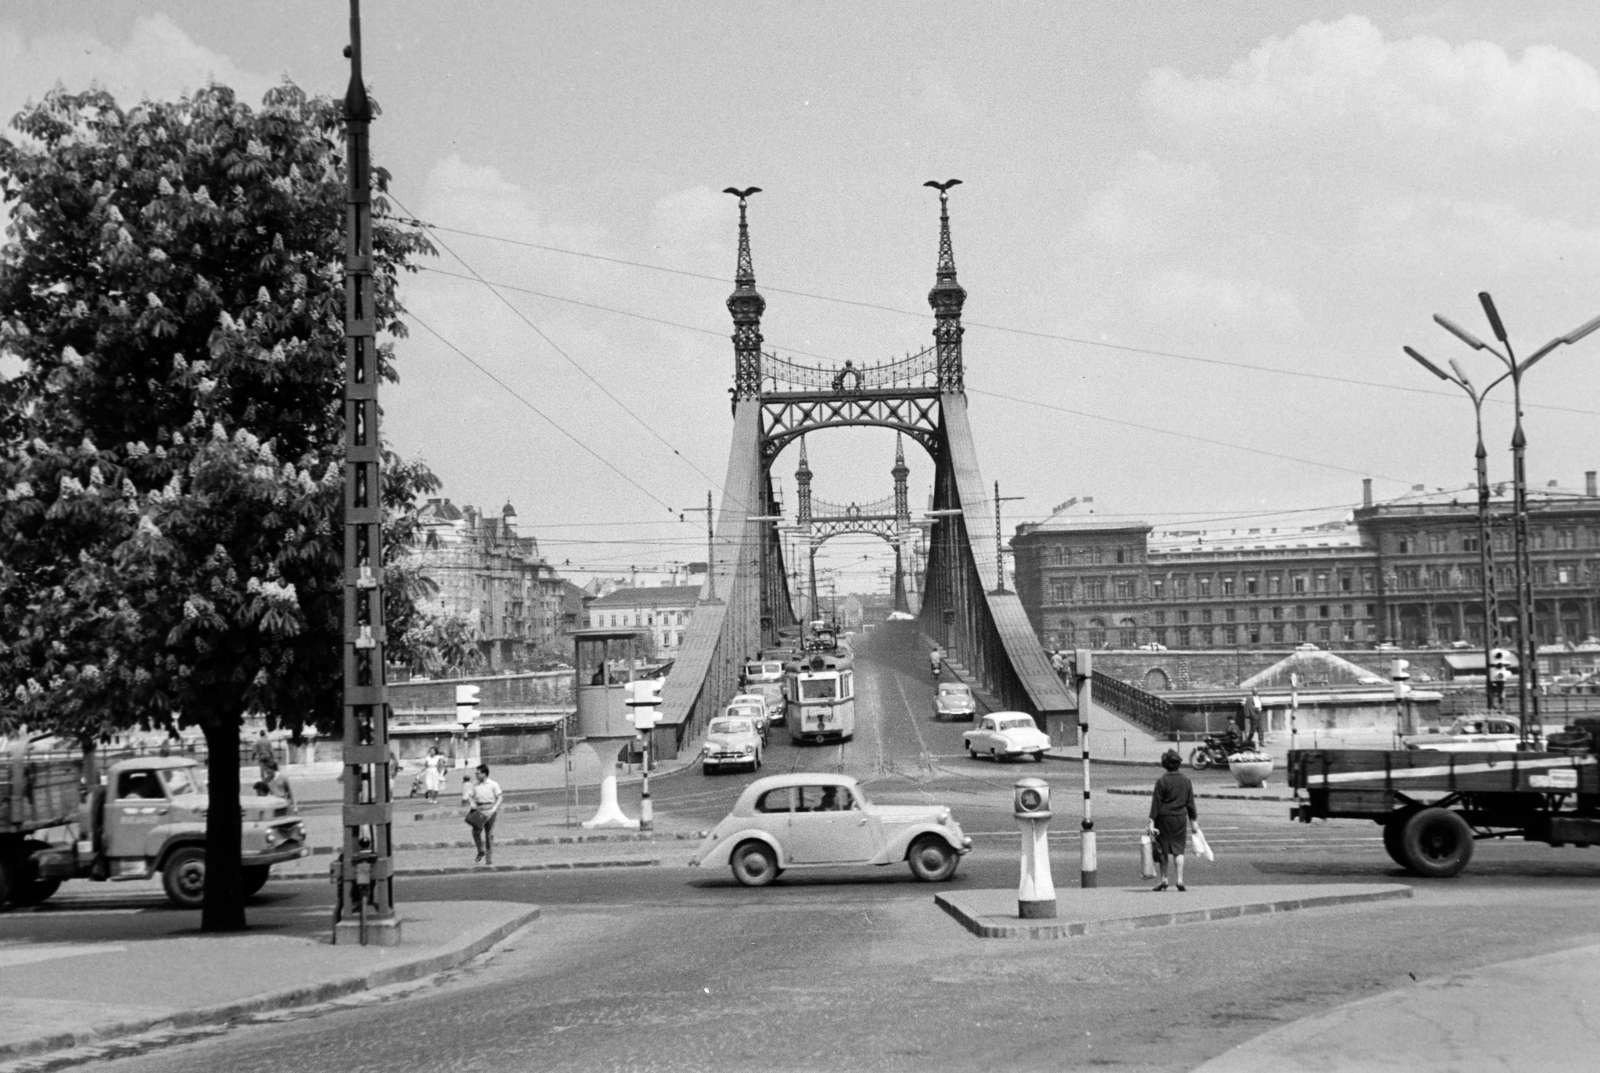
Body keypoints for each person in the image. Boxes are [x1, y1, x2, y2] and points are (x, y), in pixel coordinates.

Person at [1148, 748, 1197, 892]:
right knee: (1178, 850)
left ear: (1165, 765)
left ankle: (1164, 879)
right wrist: (1194, 821)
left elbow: (1156, 803)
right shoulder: (1186, 781)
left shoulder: (1162, 781)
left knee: (1162, 850)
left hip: (1163, 819)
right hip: (1180, 819)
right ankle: (1180, 880)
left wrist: (1151, 821)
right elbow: (1190, 803)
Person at [464, 763, 503, 865]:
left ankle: (489, 858)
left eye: (478, 773)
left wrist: (494, 808)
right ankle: (480, 850)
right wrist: (471, 802)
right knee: (476, 831)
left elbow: (500, 797)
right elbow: (469, 795)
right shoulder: (475, 785)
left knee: (489, 834)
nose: (476, 775)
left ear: (484, 774)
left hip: (490, 809)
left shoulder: (493, 784)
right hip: (479, 809)